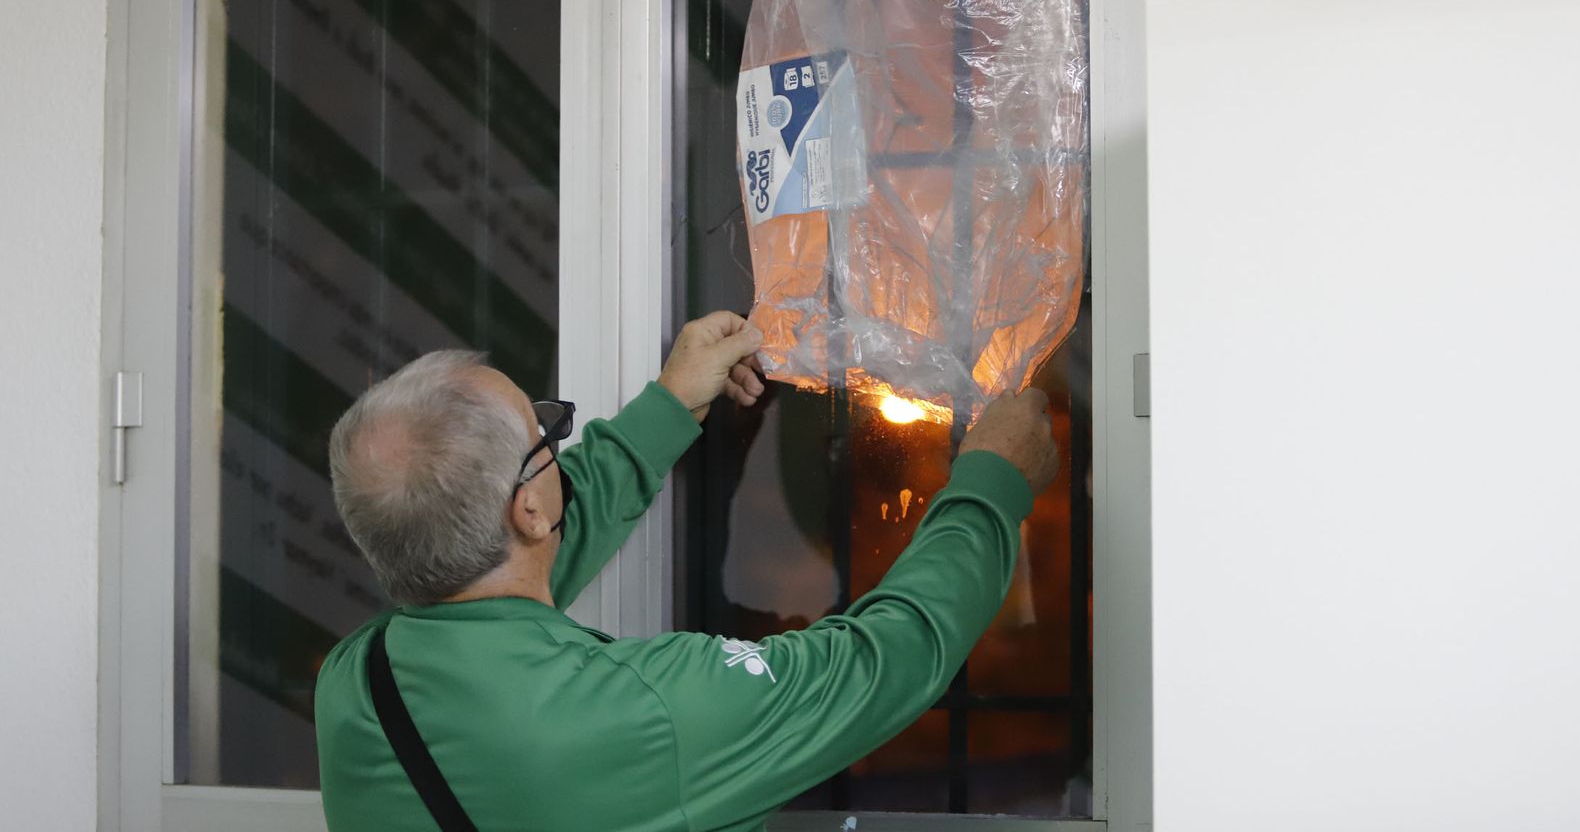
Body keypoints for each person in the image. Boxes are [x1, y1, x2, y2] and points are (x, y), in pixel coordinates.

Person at [315, 310, 1059, 832]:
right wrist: (992, 482)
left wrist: (671, 404)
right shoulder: (650, 715)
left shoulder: (354, 684)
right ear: (530, 509)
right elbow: (883, 657)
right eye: (549, 436)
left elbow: (507, 562)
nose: (559, 448)